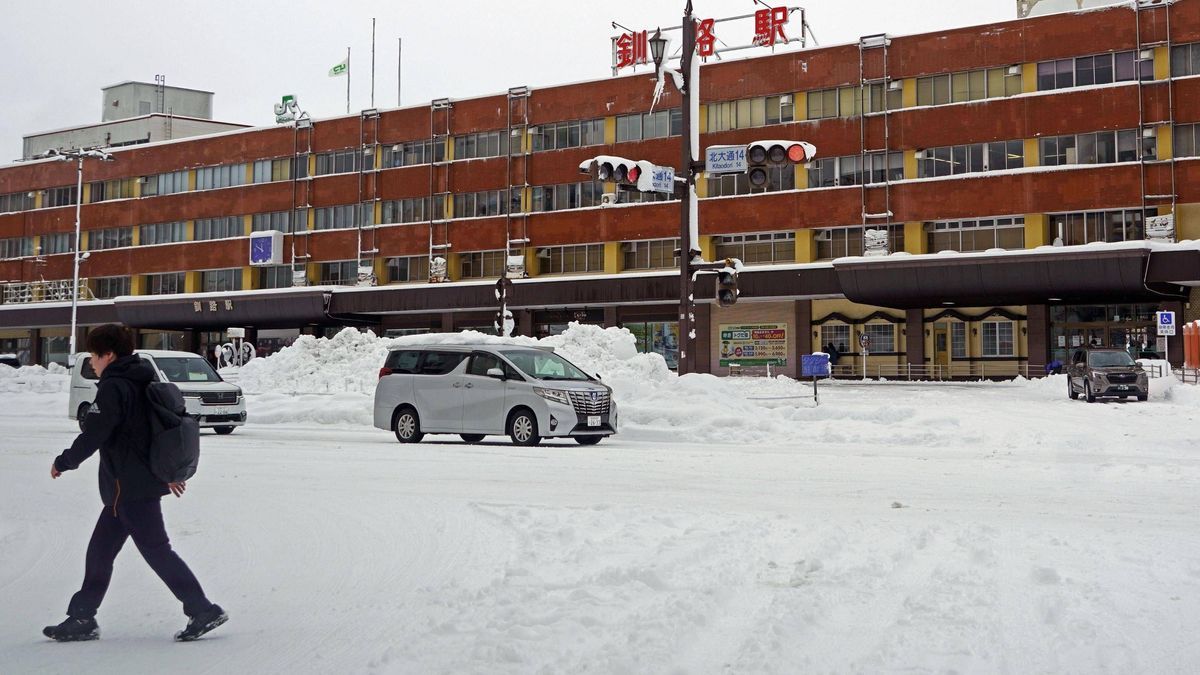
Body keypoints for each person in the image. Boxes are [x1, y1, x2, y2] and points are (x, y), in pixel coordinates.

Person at [44, 324, 226, 643]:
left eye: (95, 357)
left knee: (157, 551)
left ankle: (202, 609)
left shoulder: (115, 386)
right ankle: (83, 617)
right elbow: (153, 432)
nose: (93, 364)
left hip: (128, 488)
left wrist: (65, 461)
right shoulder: (141, 377)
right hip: (131, 485)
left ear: (109, 355)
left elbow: (96, 433)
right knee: (100, 552)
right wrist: (167, 473)